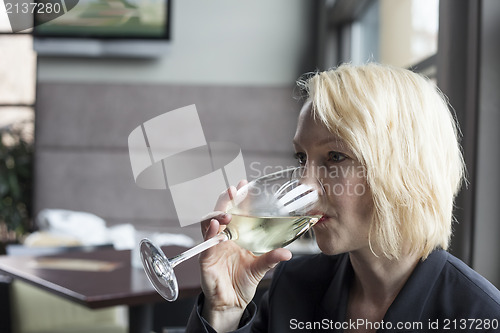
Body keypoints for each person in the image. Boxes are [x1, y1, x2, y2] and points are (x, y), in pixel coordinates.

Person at [185, 63, 500, 332]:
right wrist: (225, 310)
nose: (305, 185)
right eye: (301, 159)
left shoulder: (480, 317)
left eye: (335, 156)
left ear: (406, 171)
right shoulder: (292, 287)